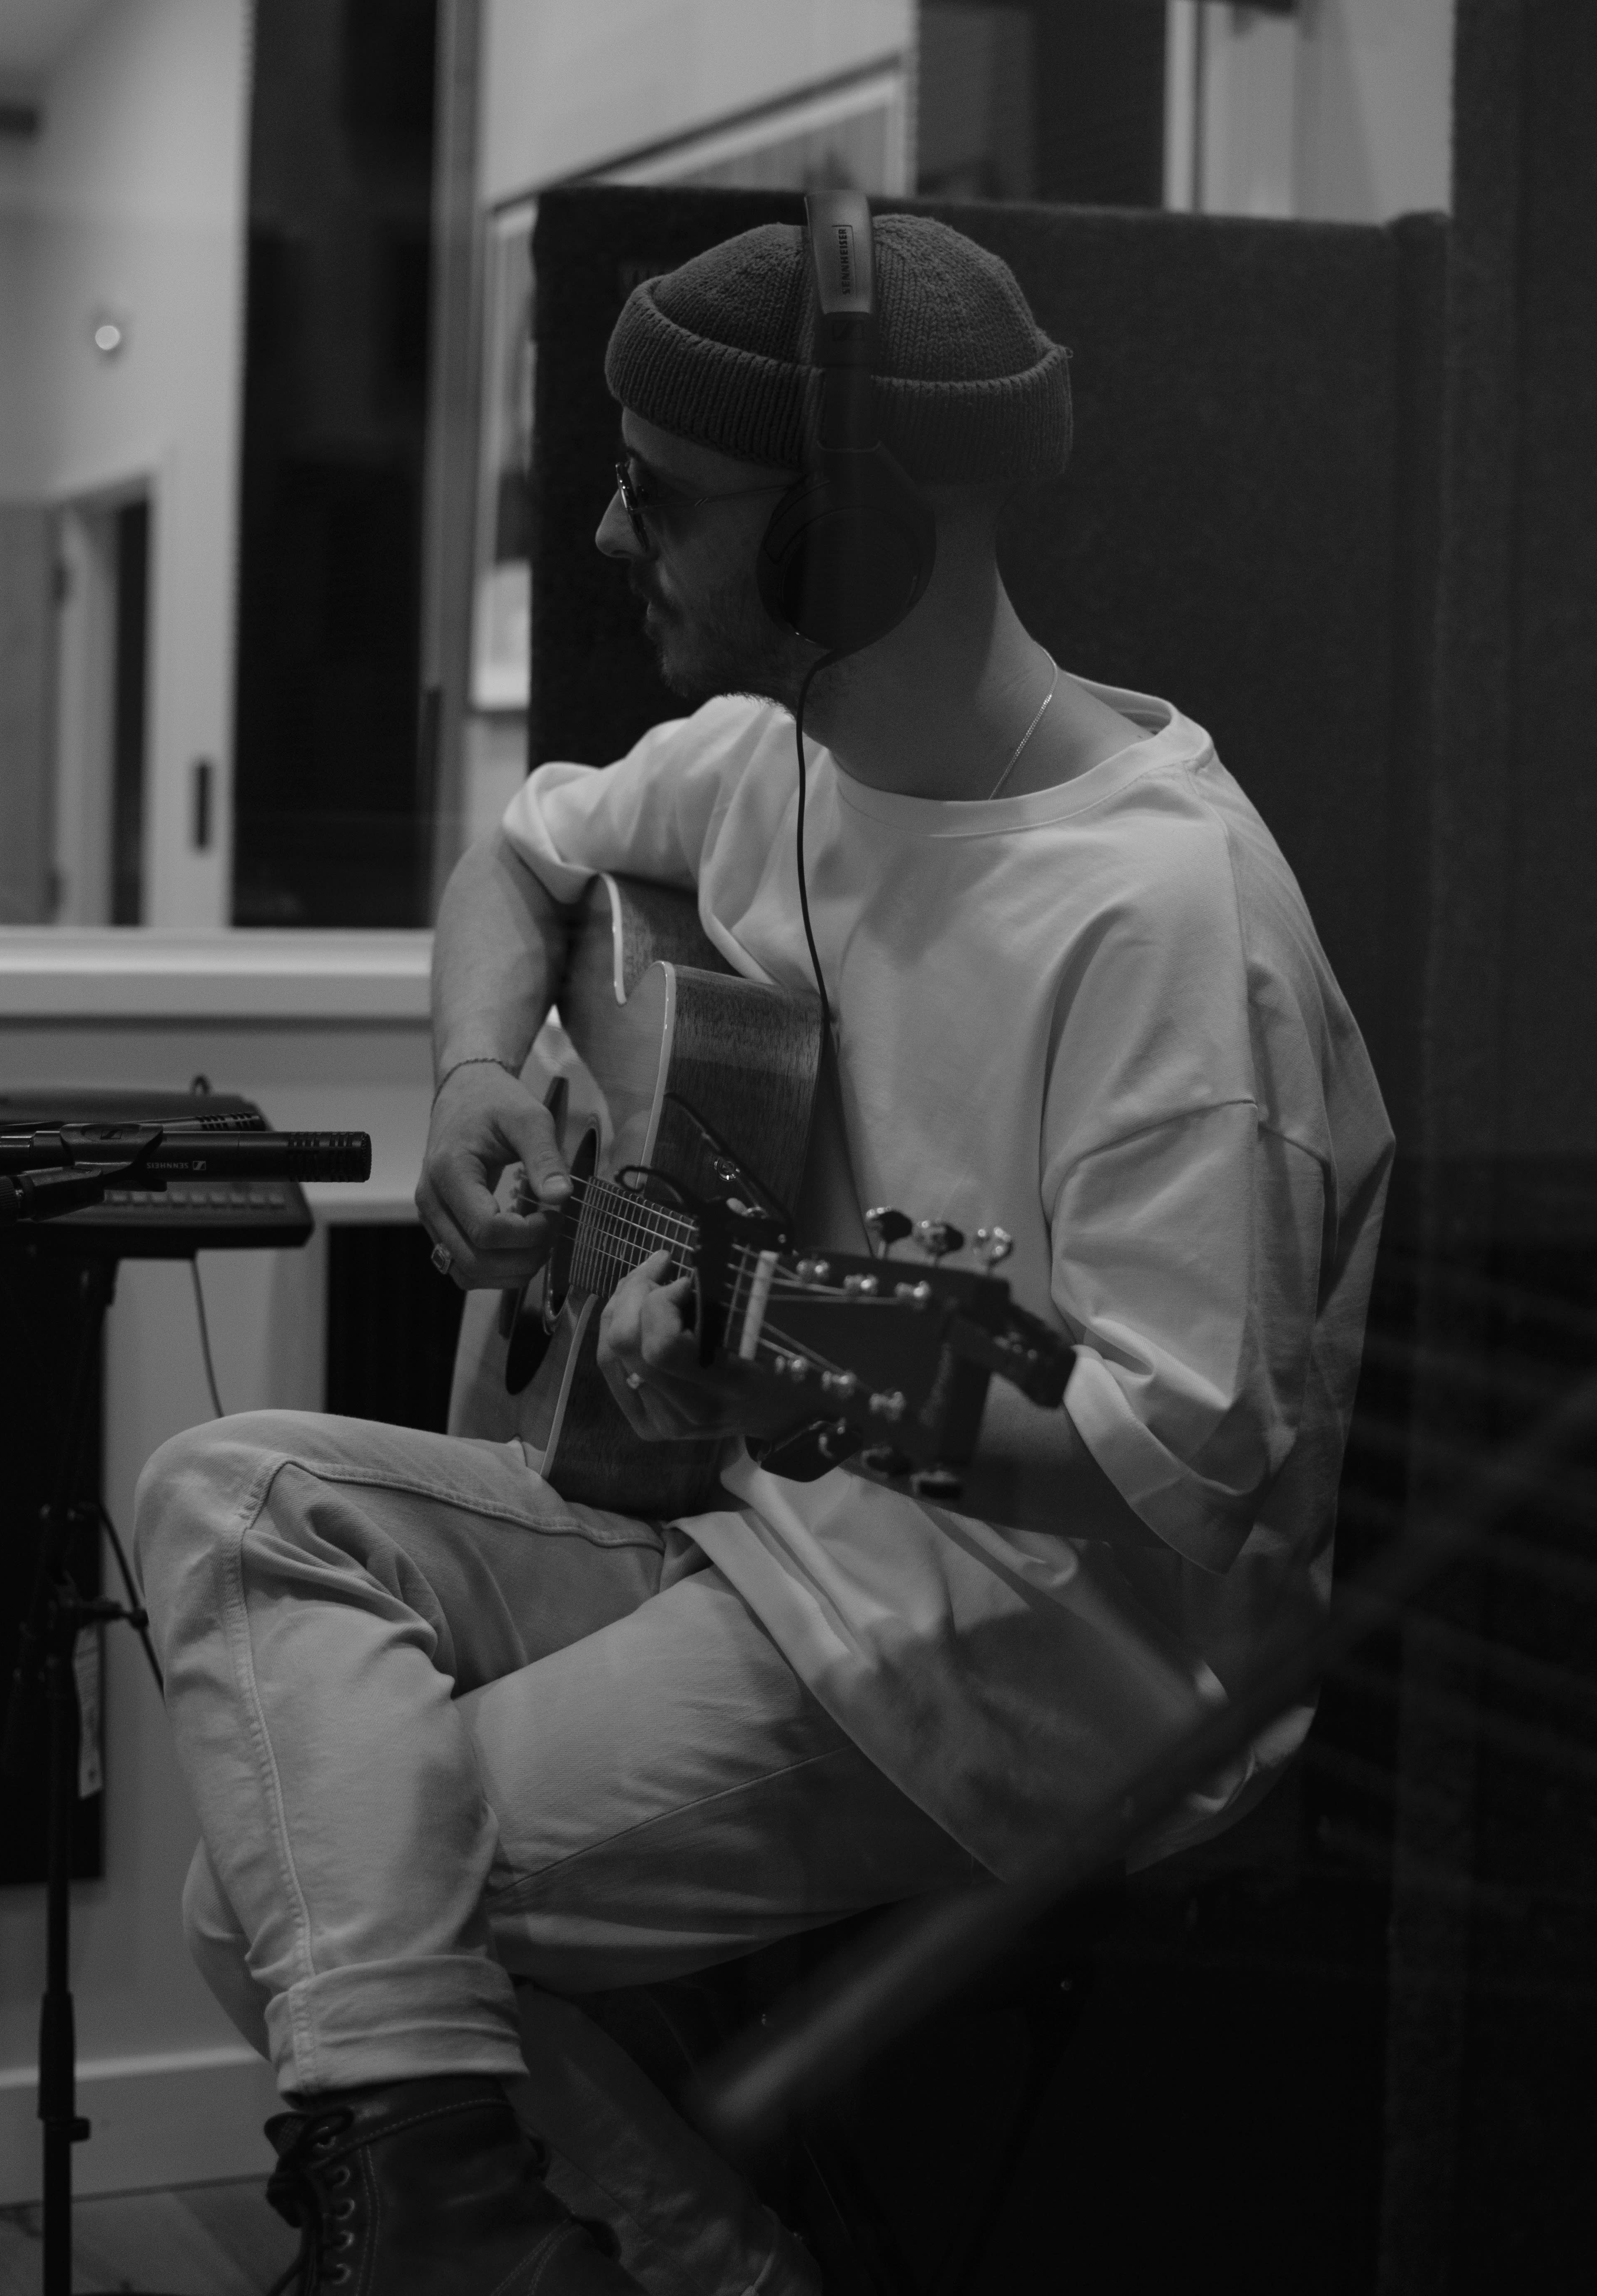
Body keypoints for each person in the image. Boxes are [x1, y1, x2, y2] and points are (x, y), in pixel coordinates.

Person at [136, 210, 1393, 2296]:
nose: (608, 536)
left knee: (294, 1902)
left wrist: (788, 1359)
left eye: (662, 495)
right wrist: (475, 1073)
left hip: (1025, 1664)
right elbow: (521, 856)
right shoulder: (765, 764)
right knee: (229, 1496)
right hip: (740, 1530)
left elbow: (1183, 1450)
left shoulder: (1167, 922)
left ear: (848, 529)